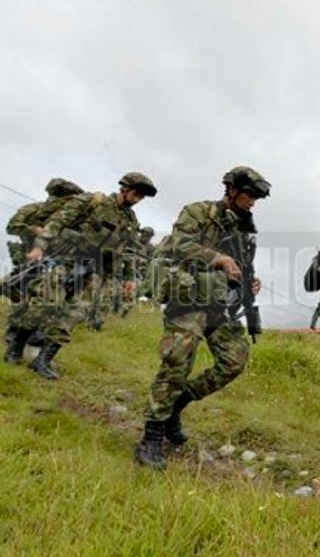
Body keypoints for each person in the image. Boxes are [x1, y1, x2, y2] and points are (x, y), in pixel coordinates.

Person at [135, 166, 269, 470]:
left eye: (256, 198)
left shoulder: (245, 231)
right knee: (177, 361)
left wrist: (250, 282)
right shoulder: (199, 212)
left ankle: (177, 404)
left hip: (219, 305)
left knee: (234, 360)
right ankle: (151, 435)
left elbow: (241, 267)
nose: (252, 202)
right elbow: (180, 245)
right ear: (232, 190)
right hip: (190, 298)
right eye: (249, 195)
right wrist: (217, 258)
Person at [12, 173, 153, 377]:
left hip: (95, 272)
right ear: (124, 188)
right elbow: (58, 222)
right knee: (44, 305)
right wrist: (39, 246)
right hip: (68, 261)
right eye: (136, 193)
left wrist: (129, 278)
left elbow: (128, 250)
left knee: (73, 315)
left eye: (142, 197)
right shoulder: (93, 201)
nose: (138, 199)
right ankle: (15, 348)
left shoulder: (130, 221)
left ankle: (43, 360)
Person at [4, 178, 84, 362]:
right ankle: (15, 332)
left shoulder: (69, 218)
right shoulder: (33, 209)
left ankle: (27, 336)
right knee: (26, 292)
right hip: (30, 254)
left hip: (53, 259)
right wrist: (36, 230)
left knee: (42, 295)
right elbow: (12, 227)